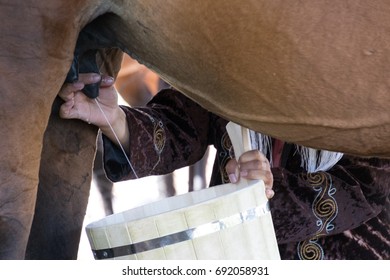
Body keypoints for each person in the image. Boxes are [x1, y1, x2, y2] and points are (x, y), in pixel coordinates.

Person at [58, 73, 390, 260]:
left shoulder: (369, 56)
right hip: (233, 254)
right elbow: (183, 123)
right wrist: (114, 119)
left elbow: (369, 185)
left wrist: (262, 190)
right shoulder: (238, 58)